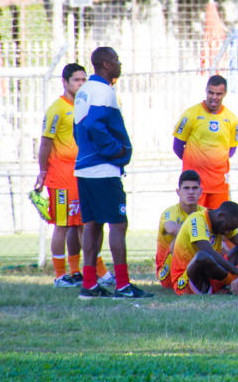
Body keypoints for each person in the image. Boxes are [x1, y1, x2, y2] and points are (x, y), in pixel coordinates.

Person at [73, 47, 149, 299]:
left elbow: (79, 129)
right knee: (118, 224)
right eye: (116, 59)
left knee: (93, 225)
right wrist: (116, 150)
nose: (119, 63)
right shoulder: (103, 90)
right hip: (103, 169)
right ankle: (123, 285)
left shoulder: (83, 91)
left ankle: (90, 284)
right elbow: (95, 124)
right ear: (106, 64)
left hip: (84, 168)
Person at [35, 63, 88, 287]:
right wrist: (43, 172)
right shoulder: (57, 109)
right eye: (77, 80)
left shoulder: (85, 106)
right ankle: (59, 275)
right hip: (61, 176)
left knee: (79, 224)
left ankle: (75, 272)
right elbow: (46, 142)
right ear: (65, 82)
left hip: (81, 175)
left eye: (84, 80)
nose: (81, 84)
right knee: (63, 224)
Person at [172, 75, 238, 210]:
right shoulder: (190, 114)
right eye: (211, 92)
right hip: (195, 185)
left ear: (225, 94)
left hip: (218, 184)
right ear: (206, 91)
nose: (214, 97)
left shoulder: (231, 119)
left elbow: (231, 150)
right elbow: (177, 147)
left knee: (219, 223)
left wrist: (214, 162)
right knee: (195, 222)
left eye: (219, 94)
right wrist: (195, 161)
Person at [169, 201, 238, 295]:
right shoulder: (197, 220)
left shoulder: (224, 223)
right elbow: (207, 252)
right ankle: (232, 283)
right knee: (202, 257)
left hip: (213, 273)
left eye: (231, 229)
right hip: (189, 278)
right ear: (221, 215)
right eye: (228, 227)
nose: (227, 232)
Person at [155, 170, 205, 289]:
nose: (191, 192)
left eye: (194, 188)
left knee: (223, 242)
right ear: (178, 192)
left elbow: (235, 229)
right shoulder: (170, 212)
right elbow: (171, 228)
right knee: (177, 242)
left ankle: (235, 279)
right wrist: (204, 232)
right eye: (186, 188)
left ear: (201, 191)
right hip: (167, 271)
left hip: (192, 262)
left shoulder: (204, 212)